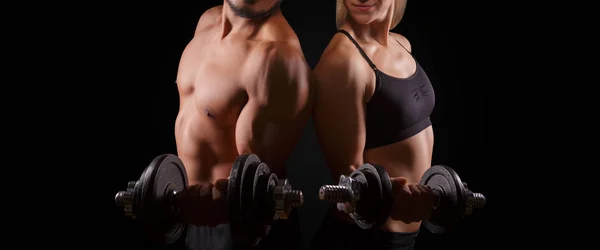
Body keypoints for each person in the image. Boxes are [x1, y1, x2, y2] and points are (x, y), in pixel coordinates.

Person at [172, 0, 312, 249]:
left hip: (240, 233)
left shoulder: (277, 59)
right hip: (188, 221)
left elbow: (250, 192)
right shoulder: (207, 22)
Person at [311, 0, 437, 249]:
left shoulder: (401, 43)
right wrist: (397, 199)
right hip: (364, 241)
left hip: (405, 239)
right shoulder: (343, 62)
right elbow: (349, 185)